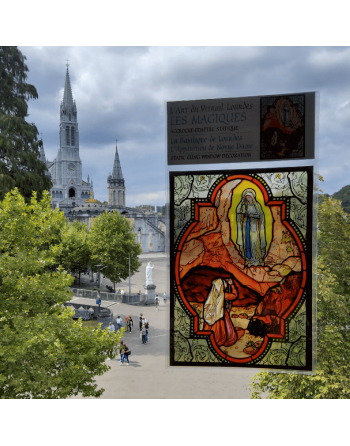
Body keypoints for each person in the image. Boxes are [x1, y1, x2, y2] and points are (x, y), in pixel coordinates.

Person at [203, 277, 244, 348]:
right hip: (222, 315)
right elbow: (235, 295)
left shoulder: (212, 295)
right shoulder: (222, 295)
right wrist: (232, 284)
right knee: (228, 333)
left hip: (212, 317)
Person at [236, 188, 267, 267]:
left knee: (255, 242)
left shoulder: (257, 205)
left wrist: (254, 216)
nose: (247, 198)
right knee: (247, 242)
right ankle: (248, 259)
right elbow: (238, 210)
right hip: (247, 225)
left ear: (252, 197)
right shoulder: (245, 205)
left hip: (255, 226)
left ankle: (256, 259)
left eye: (249, 196)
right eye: (246, 197)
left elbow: (261, 215)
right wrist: (241, 201)